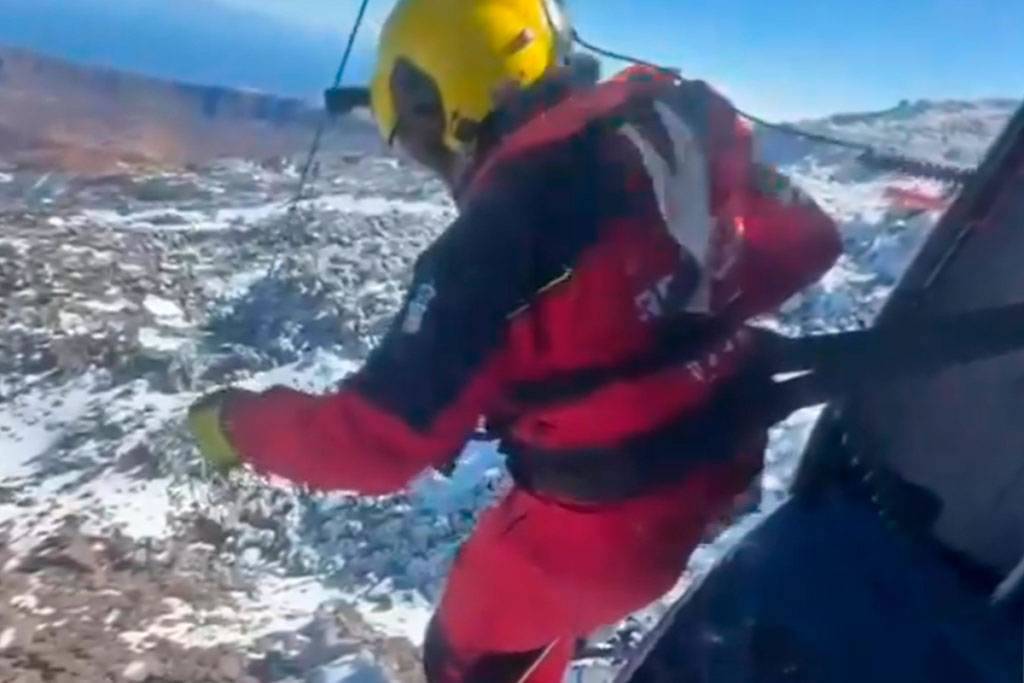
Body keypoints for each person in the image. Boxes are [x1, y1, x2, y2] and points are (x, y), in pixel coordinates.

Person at [187, 1, 842, 681]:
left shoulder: (496, 236)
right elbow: (810, 241)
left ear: (440, 103)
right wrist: (680, 329)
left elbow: (374, 444)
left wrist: (239, 424)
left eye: (417, 135)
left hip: (611, 530)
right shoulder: (671, 125)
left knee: (464, 654)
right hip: (725, 460)